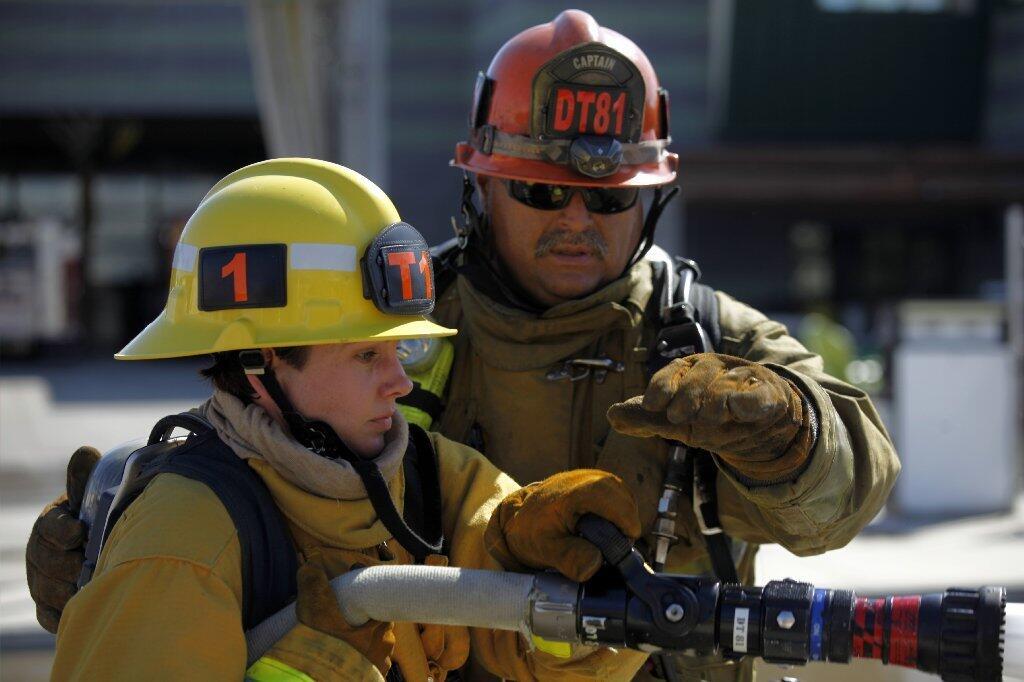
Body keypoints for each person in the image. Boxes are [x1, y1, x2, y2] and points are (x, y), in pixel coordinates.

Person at [29, 11, 900, 680]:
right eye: (538, 190)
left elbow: (855, 487)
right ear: (482, 187)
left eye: (607, 201)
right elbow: (241, 459)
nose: (573, 221)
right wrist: (120, 567)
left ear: (650, 203)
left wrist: (794, 438)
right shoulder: (392, 310)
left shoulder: (710, 341)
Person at [48, 158, 649, 681]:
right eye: (367, 355)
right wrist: (314, 669)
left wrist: (566, 571)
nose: (402, 382)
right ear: (262, 364)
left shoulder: (429, 477)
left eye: (397, 350)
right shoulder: (181, 540)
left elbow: (561, 662)